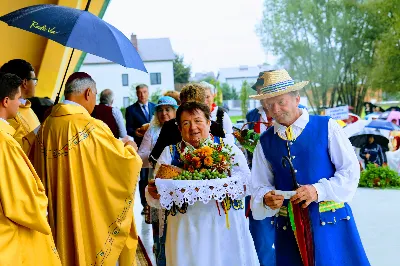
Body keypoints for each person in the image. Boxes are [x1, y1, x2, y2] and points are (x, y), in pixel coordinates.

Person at [250, 69, 369, 266]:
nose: (276, 110)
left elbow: (349, 171)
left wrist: (317, 190)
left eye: (281, 102)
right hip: (289, 230)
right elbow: (259, 185)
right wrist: (266, 197)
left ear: (296, 99)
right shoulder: (264, 142)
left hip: (330, 225)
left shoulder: (327, 126)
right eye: (270, 105)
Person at [33, 72, 142, 266]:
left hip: (55, 207)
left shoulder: (46, 125)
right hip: (84, 206)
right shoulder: (91, 127)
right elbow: (119, 163)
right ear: (88, 93)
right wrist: (130, 150)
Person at [146, 101, 260, 266]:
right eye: (186, 123)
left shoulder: (227, 148)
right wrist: (153, 192)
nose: (193, 128)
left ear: (209, 123)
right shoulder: (169, 153)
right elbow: (156, 195)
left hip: (224, 228)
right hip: (186, 230)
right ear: (179, 128)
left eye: (198, 121)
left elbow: (246, 183)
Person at [0, 72, 61, 266]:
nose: (20, 103)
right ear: (6, 101)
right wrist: (41, 205)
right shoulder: (3, 143)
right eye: (19, 98)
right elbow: (19, 198)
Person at [138, 96, 178, 265]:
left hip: (177, 183)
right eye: (160, 110)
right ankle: (160, 258)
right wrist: (157, 153)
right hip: (156, 183)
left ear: (175, 111)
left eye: (168, 109)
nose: (164, 113)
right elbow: (141, 158)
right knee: (159, 228)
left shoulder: (180, 128)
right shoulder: (152, 130)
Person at [149, 83, 226, 166]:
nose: (193, 127)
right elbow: (156, 158)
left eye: (196, 106)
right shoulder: (169, 126)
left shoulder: (215, 127)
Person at [126, 84, 156, 214]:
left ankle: (155, 201)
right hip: (141, 147)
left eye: (144, 92)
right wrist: (135, 133)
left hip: (155, 147)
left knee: (155, 176)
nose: (142, 95)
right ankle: (145, 205)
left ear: (148, 92)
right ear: (136, 94)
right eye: (139, 92)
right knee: (143, 177)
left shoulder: (155, 107)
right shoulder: (130, 110)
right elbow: (128, 128)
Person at [0, 59, 40, 156]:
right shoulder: (8, 112)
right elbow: (13, 149)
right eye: (34, 81)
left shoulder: (27, 107)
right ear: (25, 82)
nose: (36, 85)